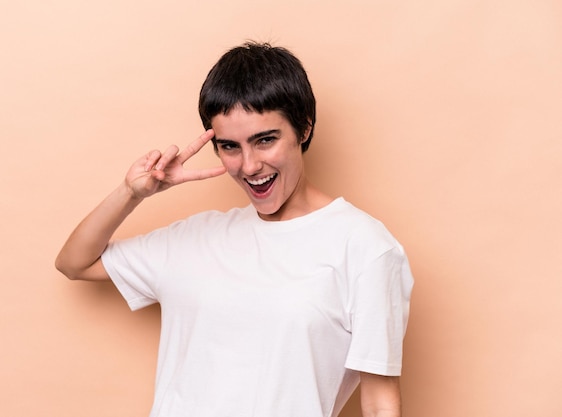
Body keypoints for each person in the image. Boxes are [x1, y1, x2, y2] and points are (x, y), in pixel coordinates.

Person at [56, 41, 414, 417]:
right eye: (230, 146)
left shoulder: (366, 248)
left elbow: (379, 401)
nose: (248, 165)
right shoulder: (197, 238)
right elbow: (75, 263)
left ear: (304, 128)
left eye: (265, 140)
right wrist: (132, 193)